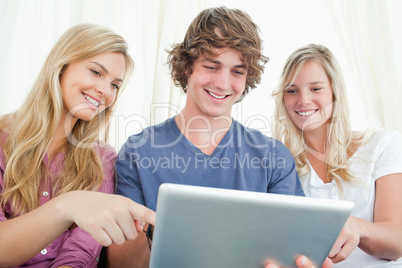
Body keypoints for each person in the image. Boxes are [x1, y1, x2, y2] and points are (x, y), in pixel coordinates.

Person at [105, 6, 330, 268]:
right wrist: (159, 230)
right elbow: (120, 264)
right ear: (187, 67)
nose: (223, 84)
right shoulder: (138, 151)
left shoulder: (273, 157)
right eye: (212, 66)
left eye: (237, 71)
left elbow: (294, 249)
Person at [0, 23, 155, 268]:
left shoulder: (103, 159)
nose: (105, 91)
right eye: (96, 72)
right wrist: (67, 206)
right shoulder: (2, 139)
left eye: (115, 84)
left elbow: (81, 253)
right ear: (61, 66)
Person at [273, 43, 402, 267]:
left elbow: (396, 241)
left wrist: (357, 227)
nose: (303, 100)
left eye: (315, 88)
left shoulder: (383, 145)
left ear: (335, 92)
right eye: (292, 90)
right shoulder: (280, 165)